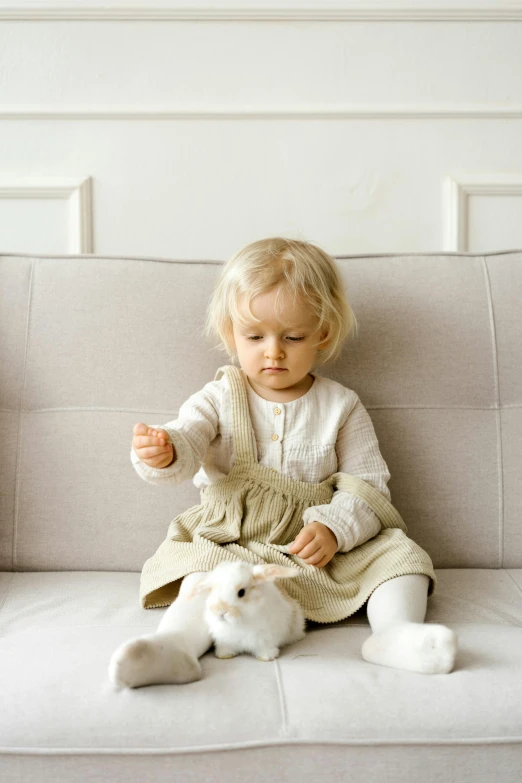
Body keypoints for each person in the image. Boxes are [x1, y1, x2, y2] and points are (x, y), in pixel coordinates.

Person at [108, 237, 457, 688]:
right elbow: (187, 438)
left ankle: (394, 636)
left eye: (293, 337)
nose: (273, 351)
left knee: (404, 556)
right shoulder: (219, 396)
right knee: (203, 574)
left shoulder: (341, 405)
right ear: (231, 334)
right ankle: (174, 648)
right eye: (255, 337)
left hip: (316, 552)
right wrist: (165, 450)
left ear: (322, 334)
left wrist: (334, 528)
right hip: (233, 542)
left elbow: (368, 486)